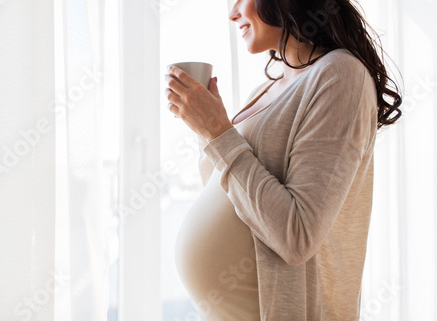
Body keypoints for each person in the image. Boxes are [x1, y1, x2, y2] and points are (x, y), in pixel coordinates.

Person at [165, 0, 402, 320]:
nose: (232, 14)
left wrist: (218, 132)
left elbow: (296, 237)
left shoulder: (340, 74)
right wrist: (205, 127)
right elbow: (233, 191)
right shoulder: (267, 89)